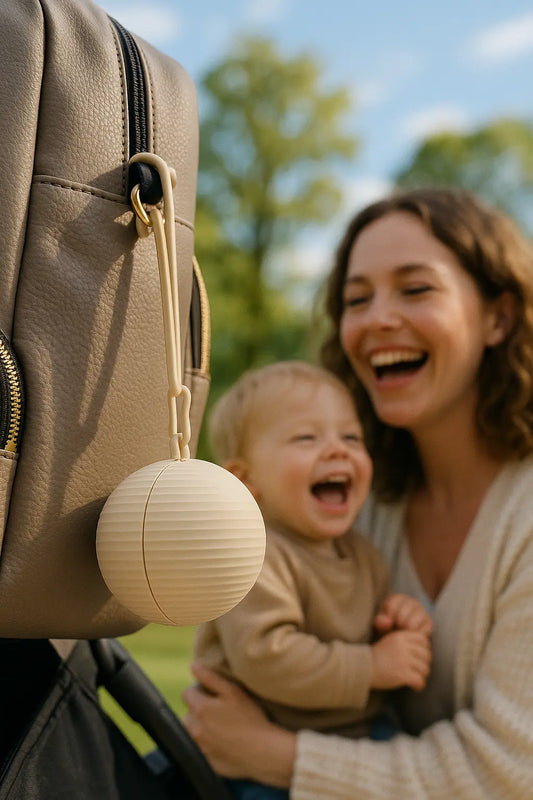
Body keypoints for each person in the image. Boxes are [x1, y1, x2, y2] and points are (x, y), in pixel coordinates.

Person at [182, 187, 533, 799]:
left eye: (416, 288)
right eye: (356, 299)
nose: (376, 320)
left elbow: (507, 774)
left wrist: (278, 756)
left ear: (498, 318)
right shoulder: (352, 507)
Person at [194, 361, 432, 800]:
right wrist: (373, 667)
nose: (338, 450)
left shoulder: (363, 555)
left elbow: (369, 628)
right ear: (245, 480)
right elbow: (268, 656)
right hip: (252, 761)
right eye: (307, 437)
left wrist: (400, 619)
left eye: (351, 437)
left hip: (356, 736)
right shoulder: (252, 555)